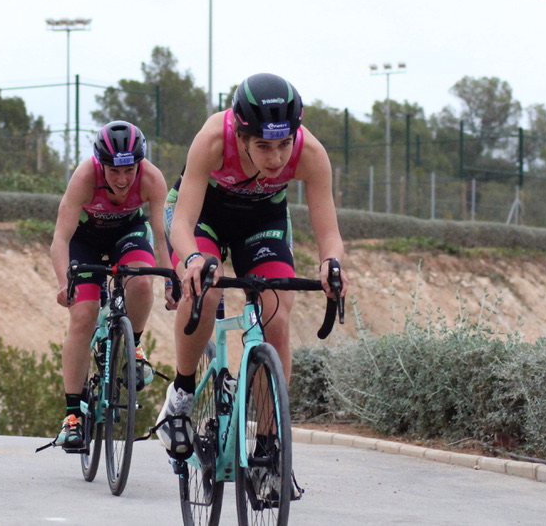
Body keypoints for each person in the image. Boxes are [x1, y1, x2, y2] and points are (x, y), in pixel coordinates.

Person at [157, 72, 350, 459]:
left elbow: (329, 233)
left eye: (284, 144)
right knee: (205, 292)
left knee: (276, 314)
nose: (276, 158)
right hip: (203, 217)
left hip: (262, 222)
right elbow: (181, 224)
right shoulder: (214, 139)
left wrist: (332, 263)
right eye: (263, 146)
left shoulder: (311, 153)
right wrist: (192, 260)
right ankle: (181, 394)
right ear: (241, 136)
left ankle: (268, 444)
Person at [49, 120, 171, 451]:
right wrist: (63, 282)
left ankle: (135, 347)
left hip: (128, 235)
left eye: (129, 170)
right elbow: (60, 239)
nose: (121, 179)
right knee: (83, 316)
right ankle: (72, 417)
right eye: (114, 171)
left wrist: (171, 280)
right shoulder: (85, 177)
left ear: (139, 164)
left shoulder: (151, 178)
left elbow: (162, 238)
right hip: (84, 241)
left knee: (141, 283)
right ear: (100, 164)